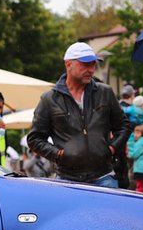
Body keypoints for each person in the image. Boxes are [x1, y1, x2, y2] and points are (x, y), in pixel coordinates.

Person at [27, 42, 131, 187]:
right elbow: (34, 138)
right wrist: (58, 154)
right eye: (85, 64)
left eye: (93, 64)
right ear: (68, 64)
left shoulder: (105, 92)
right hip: (67, 179)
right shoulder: (50, 99)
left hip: (103, 176)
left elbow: (124, 126)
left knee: (106, 211)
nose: (91, 70)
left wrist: (111, 149)